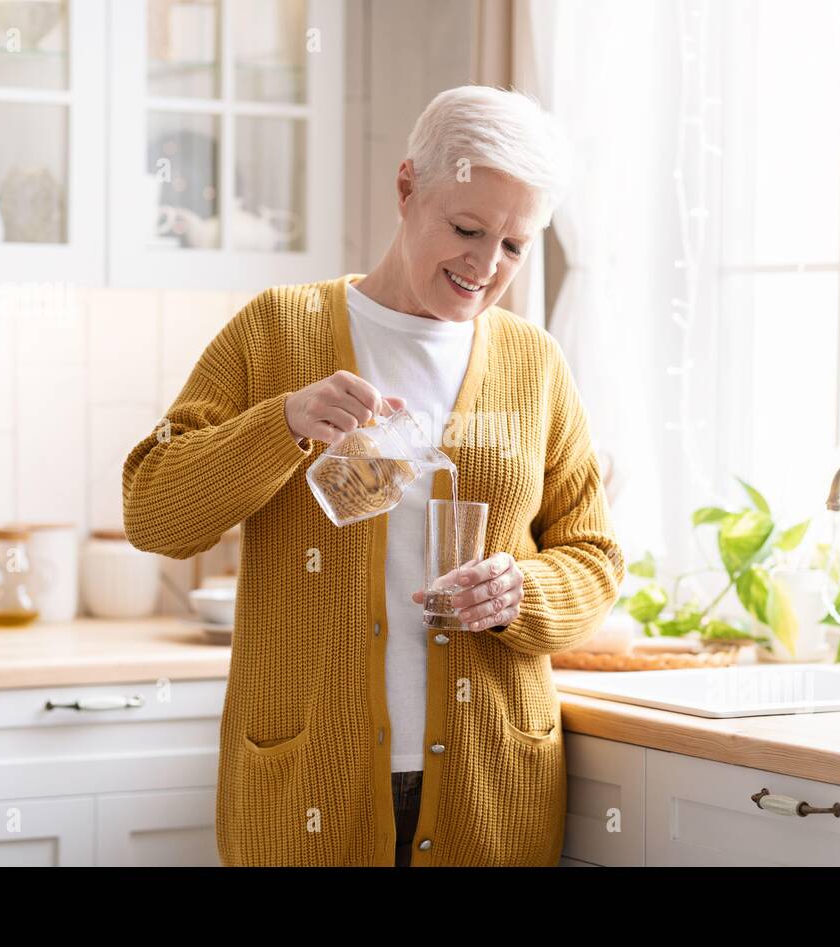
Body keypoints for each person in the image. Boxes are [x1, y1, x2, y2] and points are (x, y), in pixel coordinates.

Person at [122, 85, 624, 866]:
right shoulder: (278, 330)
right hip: (305, 777)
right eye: (466, 227)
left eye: (515, 246)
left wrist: (524, 592)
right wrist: (281, 423)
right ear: (406, 187)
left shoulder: (535, 364)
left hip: (491, 785)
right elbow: (154, 511)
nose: (486, 266)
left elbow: (591, 555)